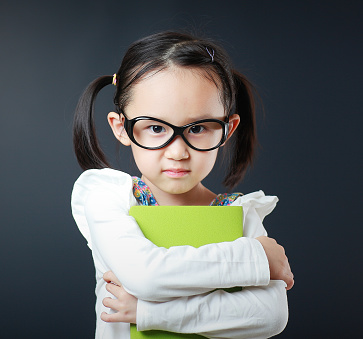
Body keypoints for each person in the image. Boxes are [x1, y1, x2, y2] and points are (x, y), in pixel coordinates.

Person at [71, 31, 294, 339]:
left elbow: (271, 315)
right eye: (155, 127)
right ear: (121, 128)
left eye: (199, 127)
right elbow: (144, 275)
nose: (178, 152)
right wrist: (255, 259)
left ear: (228, 130)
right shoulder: (109, 198)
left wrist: (151, 313)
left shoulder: (238, 212)